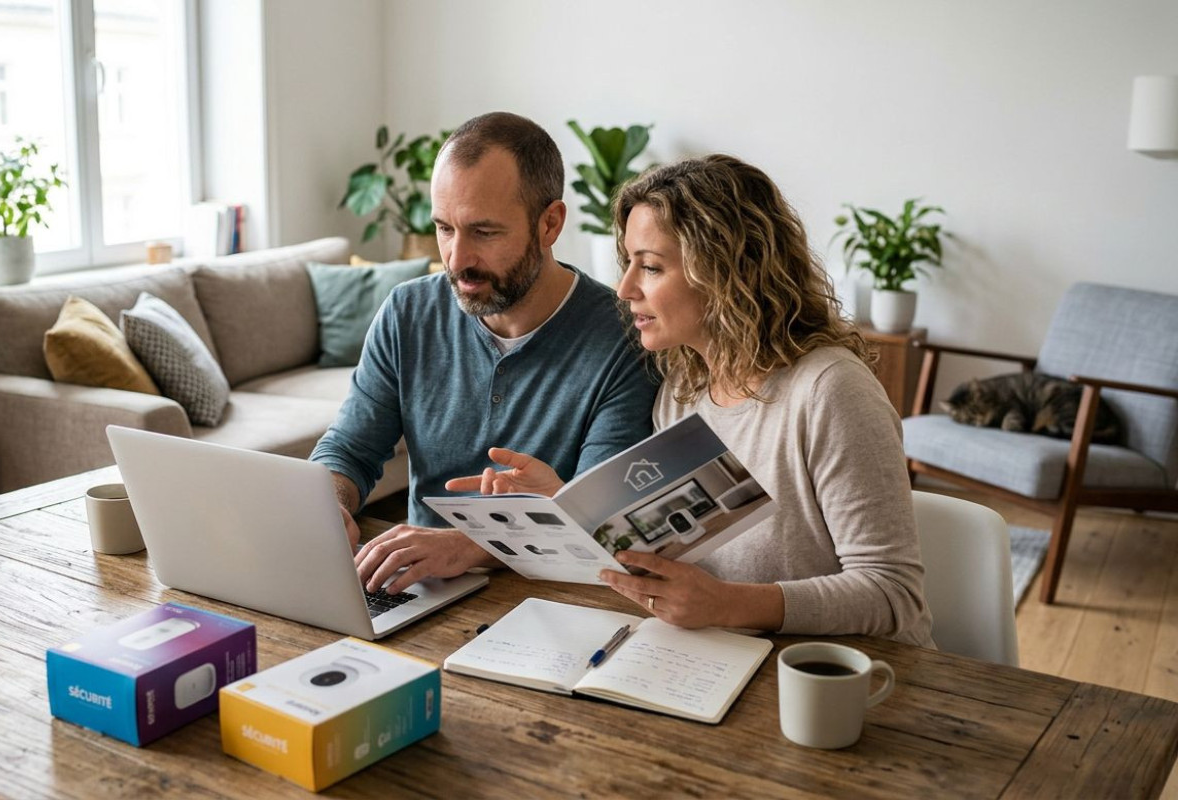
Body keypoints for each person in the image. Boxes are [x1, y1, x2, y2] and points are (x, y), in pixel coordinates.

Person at [448, 154, 934, 647]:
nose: (625, 289)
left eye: (651, 267)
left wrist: (726, 604)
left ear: (724, 272)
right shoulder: (682, 391)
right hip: (727, 654)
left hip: (846, 673)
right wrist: (562, 506)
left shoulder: (830, 391)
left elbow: (891, 593)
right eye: (628, 263)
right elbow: (668, 553)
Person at [310, 112, 660, 597]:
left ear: (550, 224)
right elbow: (350, 448)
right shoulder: (407, 312)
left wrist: (467, 546)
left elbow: (601, 517)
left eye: (484, 232)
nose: (456, 260)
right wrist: (328, 504)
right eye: (444, 228)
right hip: (418, 587)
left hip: (557, 595)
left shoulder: (625, 336)